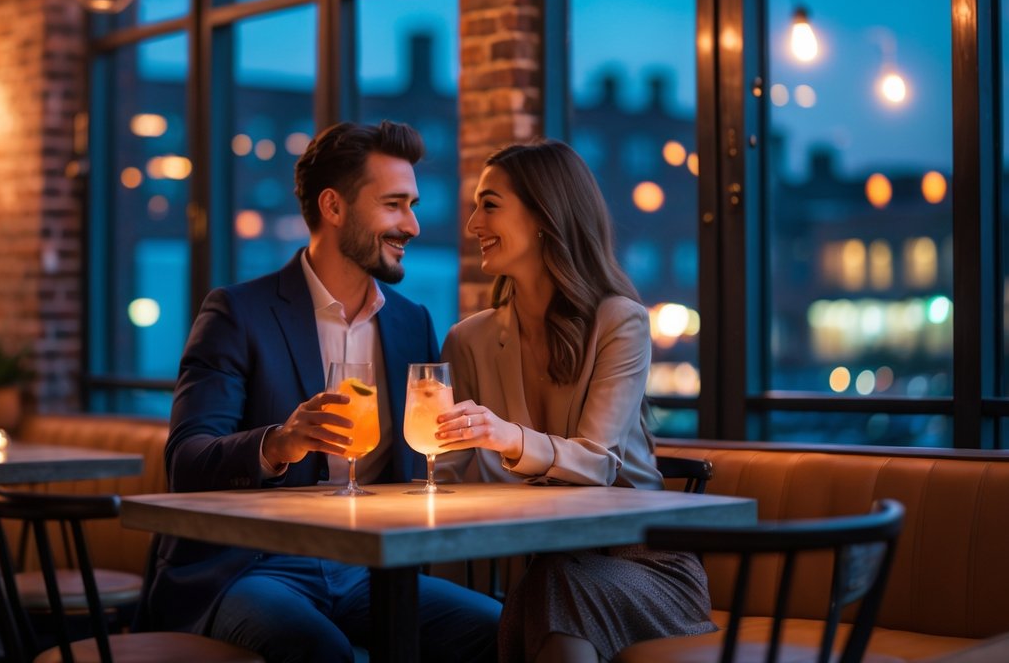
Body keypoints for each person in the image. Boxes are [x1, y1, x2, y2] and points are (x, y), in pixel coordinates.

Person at [141, 121, 501, 663]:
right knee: (316, 648)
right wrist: (277, 444)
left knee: (499, 630)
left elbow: (428, 460)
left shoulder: (412, 323)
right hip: (251, 566)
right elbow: (185, 463)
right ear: (333, 206)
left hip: (366, 568)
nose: (412, 225)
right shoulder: (238, 312)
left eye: (412, 205)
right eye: (394, 205)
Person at [434, 140, 715, 663]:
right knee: (541, 588)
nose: (473, 224)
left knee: (551, 589)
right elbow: (444, 480)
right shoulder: (467, 341)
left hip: (644, 564)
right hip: (542, 566)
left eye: (489, 205)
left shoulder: (620, 322)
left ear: (545, 216)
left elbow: (598, 463)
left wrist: (507, 437)